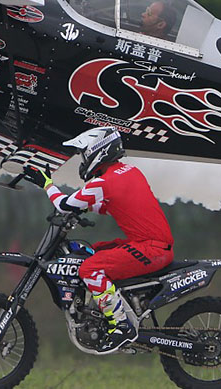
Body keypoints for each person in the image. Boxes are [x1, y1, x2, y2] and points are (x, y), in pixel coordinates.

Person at [23, 126, 174, 353]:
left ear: (98, 151)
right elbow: (113, 204)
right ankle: (114, 308)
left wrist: (47, 184)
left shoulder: (103, 182)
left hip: (151, 249)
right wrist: (83, 209)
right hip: (153, 245)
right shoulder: (130, 171)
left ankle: (121, 325)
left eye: (84, 154)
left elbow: (63, 205)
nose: (83, 160)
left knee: (89, 269)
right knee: (93, 252)